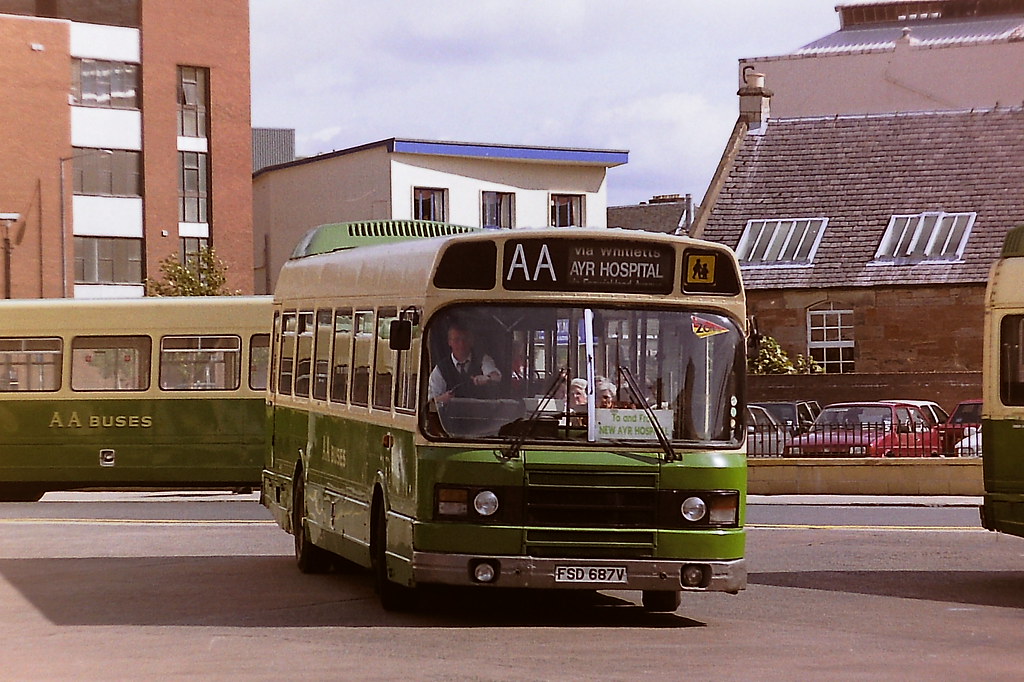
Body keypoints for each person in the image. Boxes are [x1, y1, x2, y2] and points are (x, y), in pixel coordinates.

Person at [428, 322, 501, 405]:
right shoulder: (440, 369)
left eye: (465, 339)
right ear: (449, 342)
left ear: (471, 341)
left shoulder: (483, 359)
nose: (461, 344)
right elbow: (431, 403)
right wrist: (443, 398)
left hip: (481, 415)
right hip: (450, 417)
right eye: (456, 340)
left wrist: (488, 378)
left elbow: (497, 377)